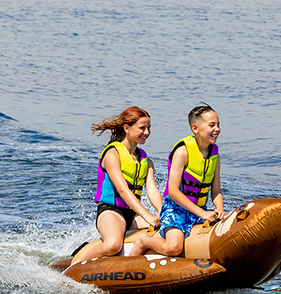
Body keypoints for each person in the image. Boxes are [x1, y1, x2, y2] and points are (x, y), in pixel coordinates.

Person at [129, 103, 223, 257]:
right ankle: (143, 242)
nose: (217, 129)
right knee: (173, 247)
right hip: (176, 211)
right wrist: (202, 213)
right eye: (212, 125)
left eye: (218, 125)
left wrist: (219, 209)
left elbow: (216, 191)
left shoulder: (215, 155)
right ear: (195, 128)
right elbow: (172, 192)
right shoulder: (182, 152)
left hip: (200, 211)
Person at [82, 106, 163, 259]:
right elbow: (123, 190)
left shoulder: (146, 161)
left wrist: (161, 212)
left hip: (132, 215)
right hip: (111, 211)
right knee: (113, 245)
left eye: (149, 128)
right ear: (126, 128)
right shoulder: (112, 154)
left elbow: (152, 190)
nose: (147, 133)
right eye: (142, 128)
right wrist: (147, 215)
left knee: (167, 228)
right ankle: (75, 264)